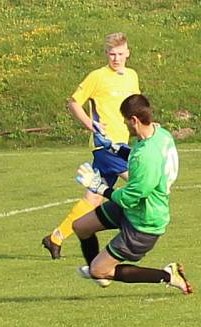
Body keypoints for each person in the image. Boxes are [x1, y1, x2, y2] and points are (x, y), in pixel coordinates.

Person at [72, 94, 191, 294]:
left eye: (126, 120)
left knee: (99, 270)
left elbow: (128, 198)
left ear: (134, 120)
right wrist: (114, 147)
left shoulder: (147, 157)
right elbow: (138, 154)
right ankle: (99, 270)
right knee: (81, 227)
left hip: (144, 223)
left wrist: (98, 186)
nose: (126, 125)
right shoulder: (160, 134)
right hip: (134, 210)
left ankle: (169, 275)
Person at [42, 32, 140, 259]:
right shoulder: (97, 77)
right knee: (140, 180)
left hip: (121, 145)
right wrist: (91, 124)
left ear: (128, 53)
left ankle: (55, 237)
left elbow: (135, 106)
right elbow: (74, 103)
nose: (116, 58)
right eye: (112, 54)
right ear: (106, 54)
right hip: (105, 146)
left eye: (120, 54)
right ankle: (134, 233)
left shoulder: (132, 76)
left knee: (93, 198)